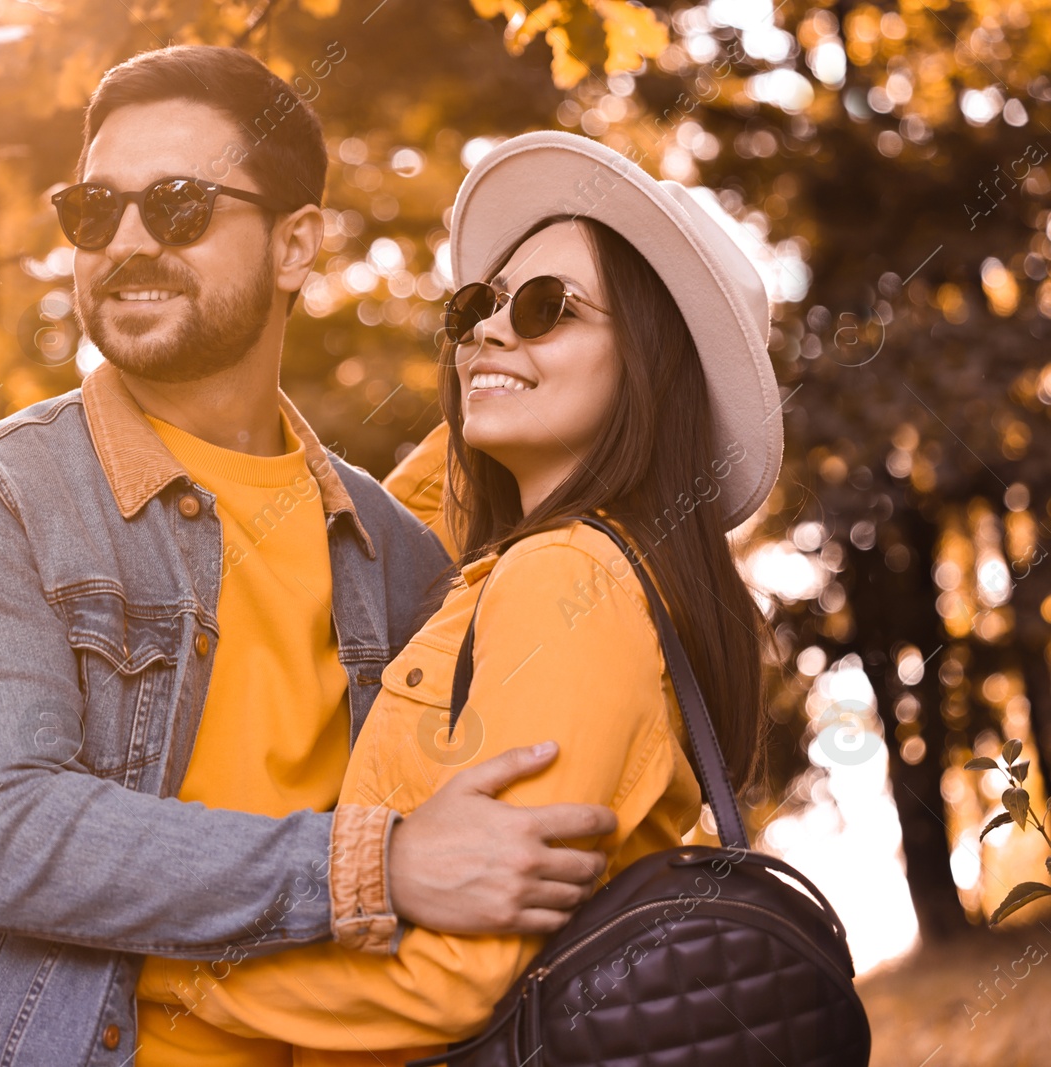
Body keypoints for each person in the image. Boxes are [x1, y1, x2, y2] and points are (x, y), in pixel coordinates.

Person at [0, 52, 619, 1067]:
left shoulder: (397, 557)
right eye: (94, 210)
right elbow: (14, 836)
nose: (126, 242)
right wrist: (376, 865)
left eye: (178, 206)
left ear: (294, 243)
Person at [138, 130, 784, 1065]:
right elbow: (374, 522)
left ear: (650, 359)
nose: (487, 327)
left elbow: (446, 977)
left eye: (545, 306)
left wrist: (147, 970)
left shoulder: (567, 578)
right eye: (479, 304)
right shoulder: (522, 570)